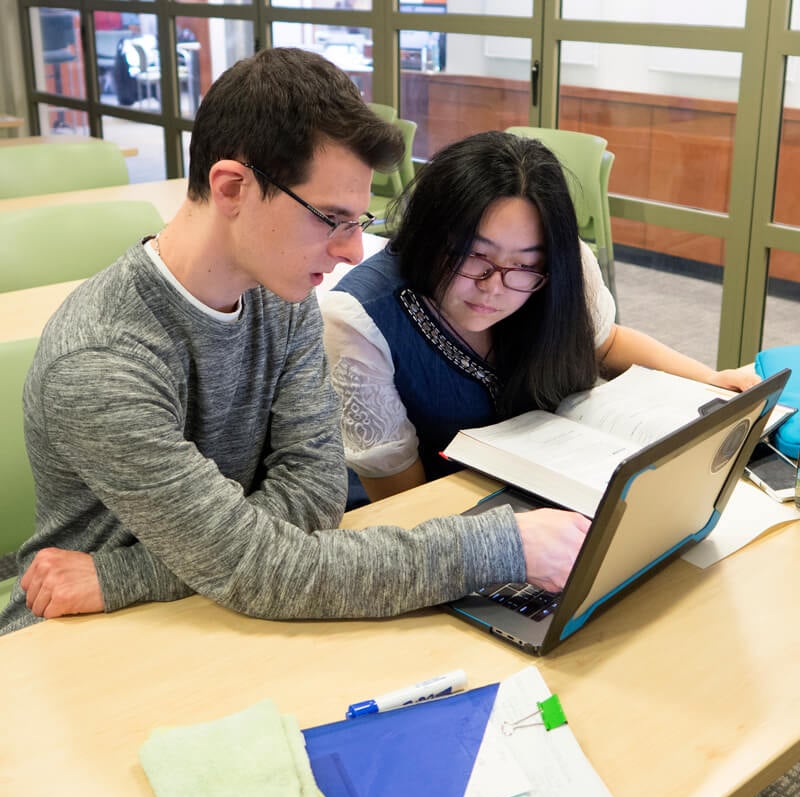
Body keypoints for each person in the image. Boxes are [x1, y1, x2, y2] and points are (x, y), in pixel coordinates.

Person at [0, 49, 590, 636]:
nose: (352, 252)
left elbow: (316, 494)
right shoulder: (102, 362)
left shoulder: (280, 295)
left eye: (360, 222)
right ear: (232, 188)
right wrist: (501, 546)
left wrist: (135, 571)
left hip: (216, 610)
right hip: (83, 634)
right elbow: (261, 568)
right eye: (330, 218)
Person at [320, 130, 759, 504]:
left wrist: (708, 379)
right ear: (430, 234)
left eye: (526, 264)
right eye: (475, 256)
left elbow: (604, 343)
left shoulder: (560, 268)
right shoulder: (360, 319)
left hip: (562, 492)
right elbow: (402, 503)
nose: (495, 287)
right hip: (444, 516)